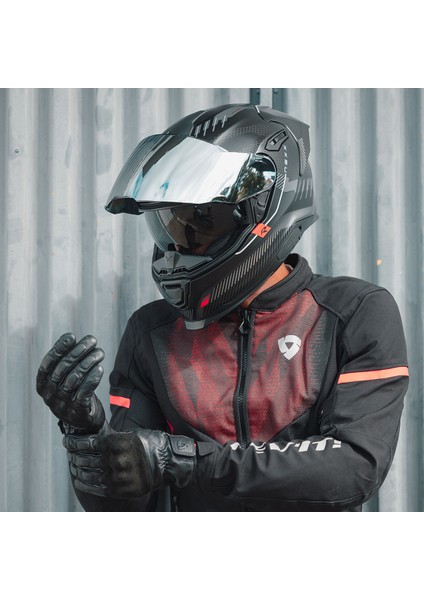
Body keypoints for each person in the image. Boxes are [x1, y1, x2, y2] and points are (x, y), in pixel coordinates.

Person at [36, 103, 409, 511]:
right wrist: (88, 437)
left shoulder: (352, 314)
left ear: (261, 213)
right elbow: (127, 509)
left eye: (200, 221)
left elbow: (353, 467)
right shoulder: (152, 332)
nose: (179, 244)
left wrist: (185, 461)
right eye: (173, 224)